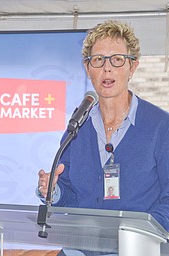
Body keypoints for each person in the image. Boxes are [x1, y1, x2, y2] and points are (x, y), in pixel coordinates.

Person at [37, 20, 169, 256]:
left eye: (117, 59)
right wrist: (54, 191)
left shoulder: (161, 126)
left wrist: (139, 234)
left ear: (133, 67)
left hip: (141, 248)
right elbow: (71, 197)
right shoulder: (75, 128)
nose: (107, 68)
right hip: (82, 248)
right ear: (88, 69)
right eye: (98, 60)